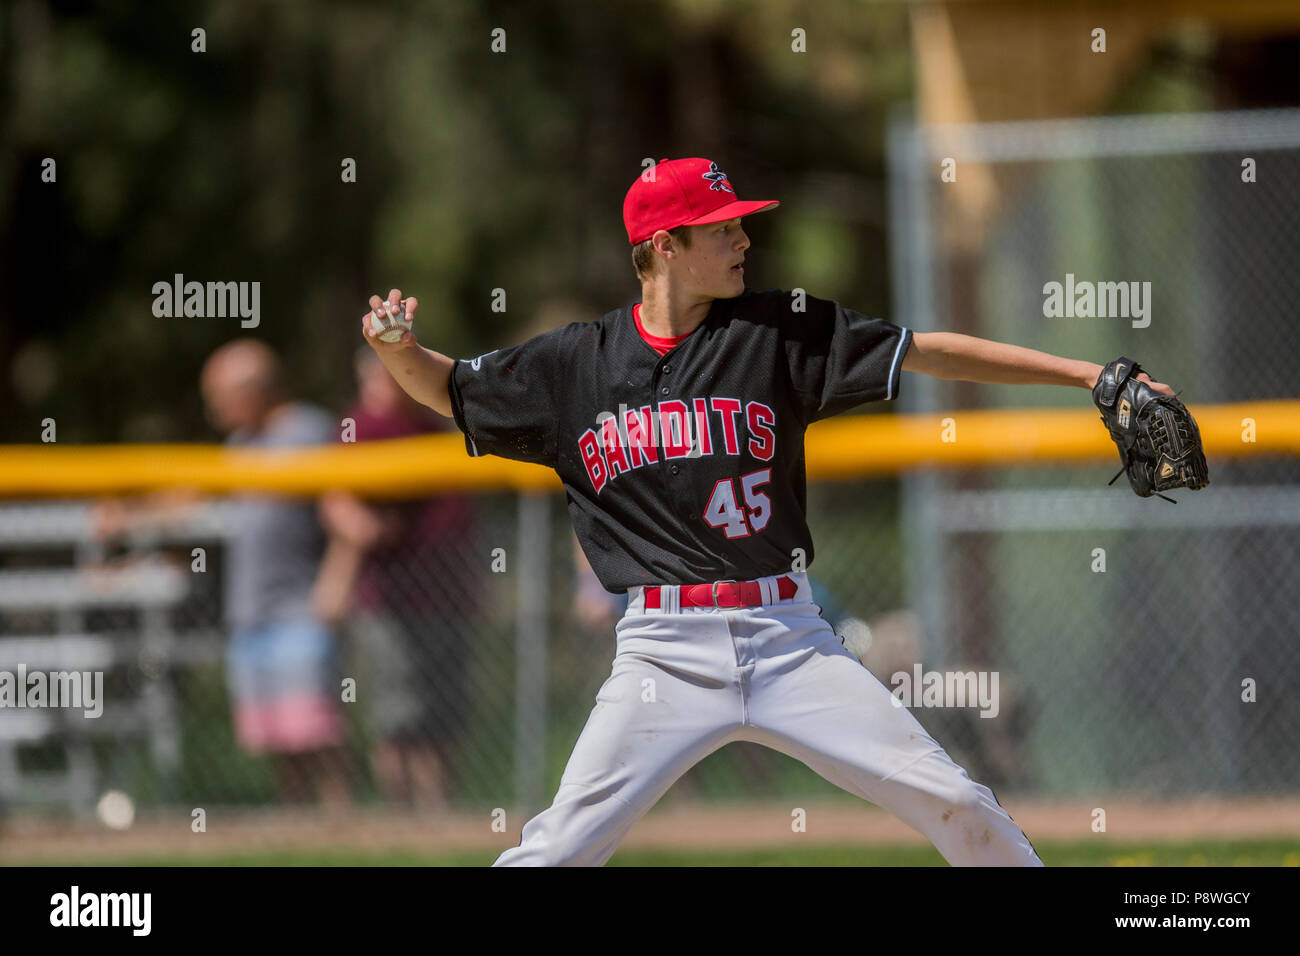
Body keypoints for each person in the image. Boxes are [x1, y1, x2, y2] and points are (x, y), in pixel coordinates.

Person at [358, 157, 1176, 866]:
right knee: (560, 848)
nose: (744, 239)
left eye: (741, 225)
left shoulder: (779, 332)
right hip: (661, 654)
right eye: (721, 229)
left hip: (790, 641)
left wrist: (1085, 376)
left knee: (956, 801)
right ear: (664, 247)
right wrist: (399, 351)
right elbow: (451, 387)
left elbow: (924, 349)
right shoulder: (577, 363)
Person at [315, 348, 477, 808]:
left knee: (443, 713)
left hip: (444, 593)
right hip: (387, 596)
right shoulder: (359, 428)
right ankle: (401, 810)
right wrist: (358, 531)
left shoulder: (430, 424)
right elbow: (334, 499)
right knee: (397, 712)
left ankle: (439, 808)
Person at [199, 339, 352, 808]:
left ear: (256, 390)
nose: (215, 410)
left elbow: (344, 512)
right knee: (277, 739)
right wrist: (130, 514)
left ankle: (348, 832)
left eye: (222, 398)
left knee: (316, 733)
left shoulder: (308, 431)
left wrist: (338, 577)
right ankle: (299, 836)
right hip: (252, 612)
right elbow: (199, 495)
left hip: (300, 607)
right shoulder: (240, 444)